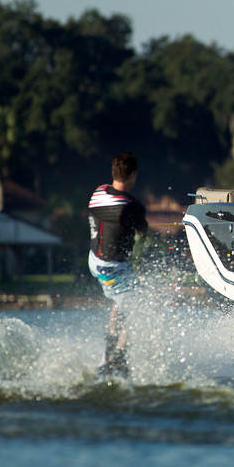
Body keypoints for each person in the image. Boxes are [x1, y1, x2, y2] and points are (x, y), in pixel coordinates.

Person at [88, 151, 148, 377]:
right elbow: (142, 230)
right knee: (138, 308)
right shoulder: (132, 205)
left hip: (95, 261)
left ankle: (111, 351)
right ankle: (116, 357)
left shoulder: (98, 193)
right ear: (133, 175)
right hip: (113, 267)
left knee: (119, 299)